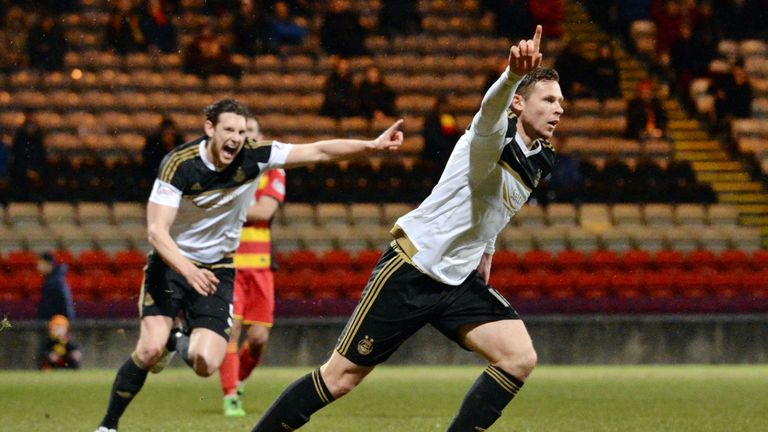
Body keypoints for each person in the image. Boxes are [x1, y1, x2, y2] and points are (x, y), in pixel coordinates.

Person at [251, 25, 560, 432]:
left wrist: (486, 250)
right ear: (519, 103)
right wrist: (510, 75)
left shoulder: (542, 158)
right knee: (339, 378)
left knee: (519, 358)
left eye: (561, 102)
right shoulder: (490, 136)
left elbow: (494, 204)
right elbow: (488, 112)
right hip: (413, 268)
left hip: (458, 279)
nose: (559, 109)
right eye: (549, 99)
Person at [94, 98, 403, 432]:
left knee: (205, 363)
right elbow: (156, 232)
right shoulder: (179, 164)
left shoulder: (255, 157)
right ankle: (108, 425)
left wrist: (372, 145)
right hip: (172, 264)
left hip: (217, 269)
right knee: (149, 348)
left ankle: (176, 341)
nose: (237, 138)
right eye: (229, 129)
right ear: (209, 129)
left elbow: (318, 151)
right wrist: (187, 269)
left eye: (241, 131)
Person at [218, 115, 286, 417]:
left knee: (258, 338)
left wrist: (230, 207)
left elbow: (264, 210)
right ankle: (230, 394)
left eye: (251, 132)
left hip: (259, 267)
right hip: (229, 265)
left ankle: (240, 379)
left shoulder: (274, 171)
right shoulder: (222, 170)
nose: (247, 138)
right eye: (241, 133)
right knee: (230, 330)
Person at [11, 110, 46, 202]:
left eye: (33, 125)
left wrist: (36, 172)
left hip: (36, 176)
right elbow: (17, 158)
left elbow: (41, 158)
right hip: (21, 176)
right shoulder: (19, 140)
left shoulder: (39, 141)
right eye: (29, 125)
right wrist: (26, 171)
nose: (31, 128)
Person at [37, 252, 75, 322]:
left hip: (57, 323)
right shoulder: (51, 279)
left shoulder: (56, 281)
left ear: (48, 264)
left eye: (40, 264)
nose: (38, 267)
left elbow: (64, 304)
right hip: (53, 321)